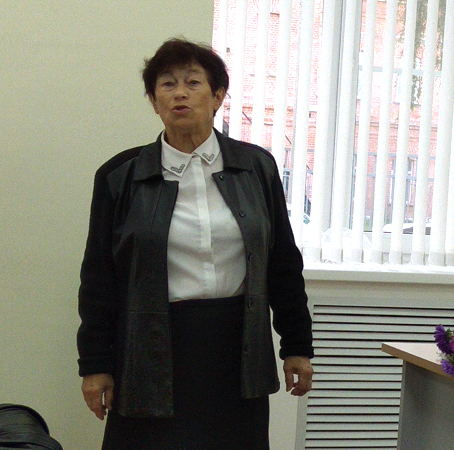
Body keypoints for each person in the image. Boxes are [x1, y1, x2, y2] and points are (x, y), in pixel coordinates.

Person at [77, 38, 314, 450]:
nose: (180, 93)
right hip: (149, 348)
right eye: (167, 84)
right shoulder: (120, 175)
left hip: (236, 348)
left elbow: (282, 264)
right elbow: (99, 278)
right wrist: (95, 364)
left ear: (218, 96)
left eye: (193, 82)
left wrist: (297, 344)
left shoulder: (256, 167)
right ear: (154, 101)